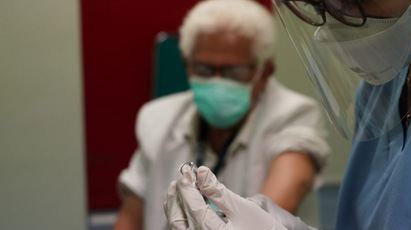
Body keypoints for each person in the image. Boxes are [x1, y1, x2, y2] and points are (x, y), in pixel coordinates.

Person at [165, 0, 411, 229]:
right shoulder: (378, 89)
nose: (339, 18)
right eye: (318, 5)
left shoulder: (290, 115)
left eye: (350, 0)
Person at [115, 0, 329, 229]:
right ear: (186, 65)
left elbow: (282, 199)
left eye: (233, 71)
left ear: (264, 71)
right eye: (204, 69)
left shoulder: (293, 114)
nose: (217, 81)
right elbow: (130, 219)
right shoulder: (159, 118)